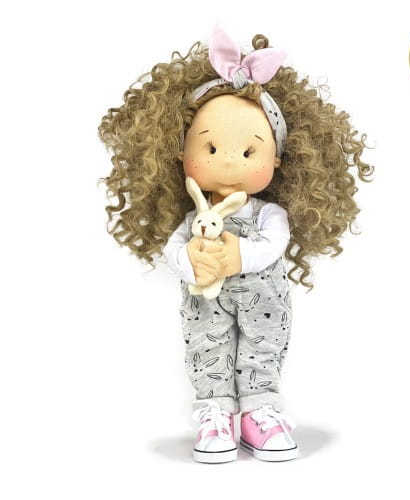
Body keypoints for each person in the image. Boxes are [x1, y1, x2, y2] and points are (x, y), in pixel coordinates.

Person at [98, 23, 374, 463]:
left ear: (277, 160)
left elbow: (272, 244)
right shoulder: (193, 218)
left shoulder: (269, 215)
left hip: (265, 304)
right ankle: (216, 413)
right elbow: (173, 250)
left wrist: (237, 255)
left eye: (249, 152)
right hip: (205, 304)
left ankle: (258, 411)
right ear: (181, 154)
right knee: (207, 347)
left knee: (263, 346)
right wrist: (189, 257)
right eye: (210, 149)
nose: (228, 160)